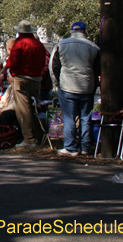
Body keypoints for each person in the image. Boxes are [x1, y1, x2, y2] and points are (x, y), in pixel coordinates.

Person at [50, 21, 100, 157]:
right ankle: (85, 147)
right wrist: (94, 85)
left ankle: (71, 147)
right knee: (86, 117)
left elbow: (53, 67)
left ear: (72, 31)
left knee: (69, 118)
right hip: (86, 86)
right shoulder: (93, 47)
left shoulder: (61, 45)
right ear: (84, 32)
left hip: (67, 86)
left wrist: (57, 83)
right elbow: (97, 70)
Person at [7, 20, 47, 148]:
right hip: (36, 79)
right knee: (35, 108)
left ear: (19, 31)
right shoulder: (39, 45)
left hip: (21, 78)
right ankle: (39, 135)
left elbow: (12, 62)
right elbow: (43, 62)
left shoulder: (19, 43)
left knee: (23, 110)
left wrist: (10, 70)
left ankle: (29, 139)